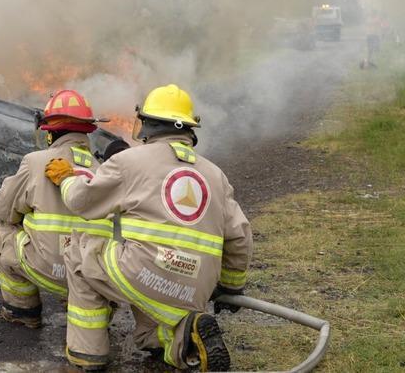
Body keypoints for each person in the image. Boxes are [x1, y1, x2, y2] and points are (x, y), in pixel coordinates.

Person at [45, 84, 252, 371]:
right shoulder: (216, 175)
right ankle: (184, 339)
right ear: (189, 129)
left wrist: (66, 179)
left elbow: (82, 202)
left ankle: (87, 353)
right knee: (147, 337)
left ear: (148, 125)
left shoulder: (129, 161)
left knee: (81, 249)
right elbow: (240, 236)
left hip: (147, 272)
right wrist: (230, 285)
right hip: (196, 288)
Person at [0, 89, 112, 329]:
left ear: (51, 132)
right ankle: (85, 310)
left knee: (2, 231)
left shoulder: (36, 161)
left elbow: (4, 210)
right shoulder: (104, 169)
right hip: (92, 274)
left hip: (53, 270)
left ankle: (22, 311)